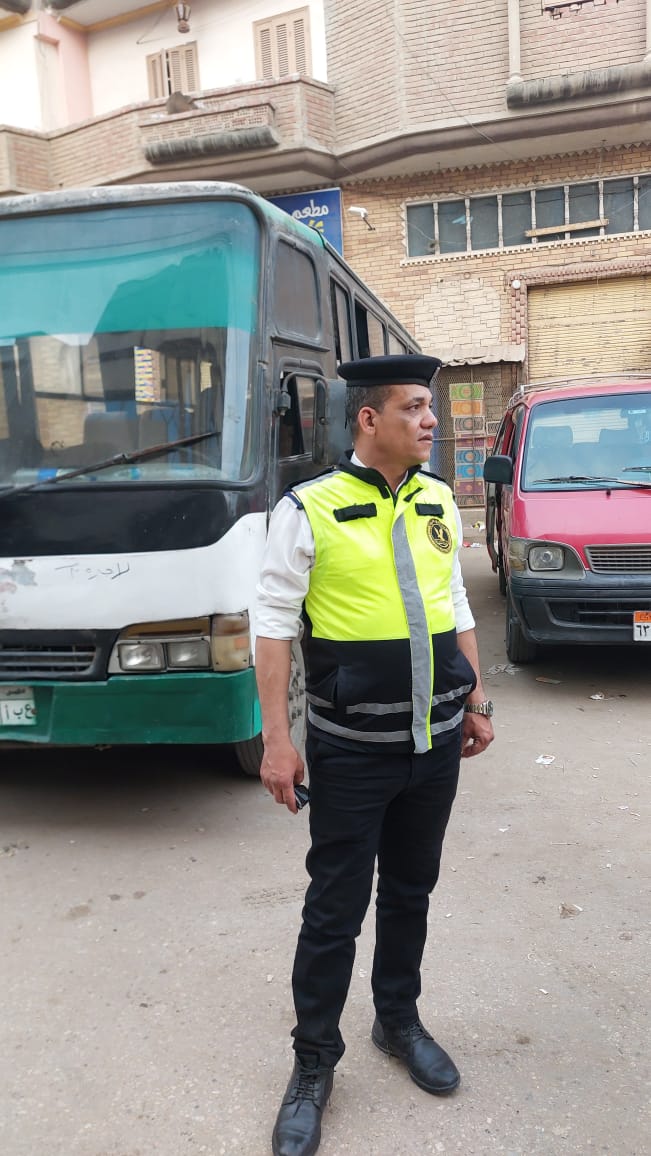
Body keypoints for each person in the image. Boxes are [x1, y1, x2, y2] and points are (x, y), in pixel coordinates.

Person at [255, 354, 494, 1156]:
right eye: (415, 407)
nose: (430, 421)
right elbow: (272, 628)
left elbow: (453, 603)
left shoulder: (436, 499)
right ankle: (313, 1063)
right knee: (334, 911)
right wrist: (278, 743)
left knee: (410, 893)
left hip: (434, 745)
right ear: (368, 419)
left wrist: (476, 699)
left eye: (429, 407)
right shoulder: (308, 508)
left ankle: (397, 1021)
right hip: (353, 753)